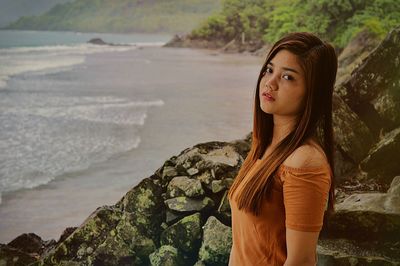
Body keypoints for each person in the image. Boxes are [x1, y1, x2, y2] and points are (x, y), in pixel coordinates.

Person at [227, 32, 338, 266]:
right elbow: (241, 248)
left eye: (287, 77)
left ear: (312, 92)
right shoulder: (265, 146)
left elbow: (302, 261)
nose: (270, 82)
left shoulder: (304, 162)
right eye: (269, 70)